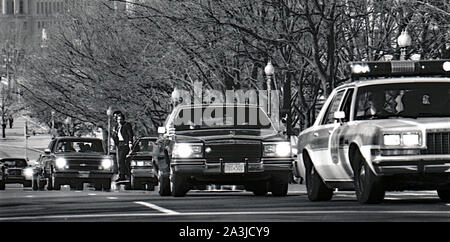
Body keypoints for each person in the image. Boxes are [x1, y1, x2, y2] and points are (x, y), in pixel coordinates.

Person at [112, 111, 134, 182]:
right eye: (118, 119)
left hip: (125, 144)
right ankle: (121, 174)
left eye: (120, 119)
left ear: (123, 119)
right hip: (119, 144)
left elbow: (130, 134)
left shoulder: (126, 125)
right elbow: (115, 136)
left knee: (121, 159)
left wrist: (130, 142)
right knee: (120, 160)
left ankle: (123, 175)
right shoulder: (116, 126)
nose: (119, 121)